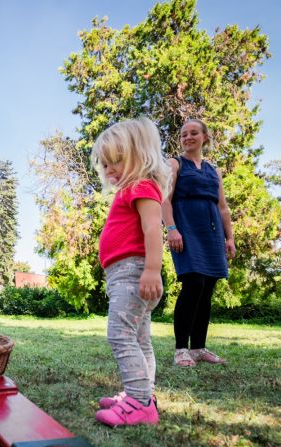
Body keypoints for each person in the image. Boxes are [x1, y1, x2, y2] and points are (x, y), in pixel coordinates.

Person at [91, 118, 169, 427]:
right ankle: (140, 394)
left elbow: (153, 228)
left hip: (133, 272)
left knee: (120, 335)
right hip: (123, 274)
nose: (110, 170)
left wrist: (152, 270)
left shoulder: (142, 186)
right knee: (139, 338)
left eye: (117, 161)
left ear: (139, 155)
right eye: (106, 164)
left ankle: (140, 403)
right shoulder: (129, 189)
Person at [161, 119, 234, 367]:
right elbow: (165, 200)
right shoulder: (174, 164)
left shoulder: (214, 170)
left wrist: (230, 237)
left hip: (212, 234)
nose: (187, 137)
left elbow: (223, 207)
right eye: (183, 134)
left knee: (206, 290)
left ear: (205, 137)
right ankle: (181, 349)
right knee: (193, 284)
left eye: (193, 133)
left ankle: (199, 348)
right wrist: (171, 229)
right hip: (185, 230)